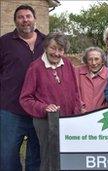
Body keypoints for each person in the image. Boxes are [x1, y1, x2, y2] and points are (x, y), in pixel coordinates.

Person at [19, 32, 81, 170]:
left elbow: (75, 92)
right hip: (45, 122)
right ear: (46, 47)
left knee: (67, 157)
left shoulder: (68, 64)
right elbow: (25, 98)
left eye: (60, 49)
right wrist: (43, 108)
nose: (57, 53)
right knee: (49, 158)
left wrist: (76, 112)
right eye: (53, 48)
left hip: (69, 119)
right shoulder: (35, 67)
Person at [0, 5, 45, 170]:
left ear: (35, 19)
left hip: (40, 110)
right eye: (20, 17)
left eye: (28, 16)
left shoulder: (47, 42)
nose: (25, 20)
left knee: (37, 156)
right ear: (15, 21)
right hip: (10, 109)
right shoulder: (4, 42)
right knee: (7, 157)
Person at [76, 47, 108, 113]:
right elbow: (73, 93)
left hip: (101, 116)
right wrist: (80, 107)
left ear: (102, 61)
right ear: (86, 61)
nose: (93, 63)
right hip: (80, 114)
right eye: (90, 59)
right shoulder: (77, 72)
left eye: (97, 59)